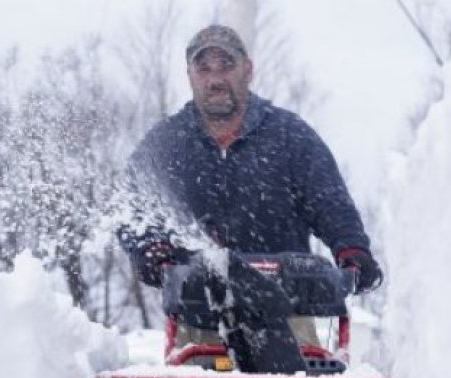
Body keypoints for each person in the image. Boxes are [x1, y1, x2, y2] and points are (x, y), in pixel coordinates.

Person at [117, 24, 382, 347]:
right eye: (204, 69)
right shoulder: (167, 144)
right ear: (189, 75)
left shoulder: (289, 137)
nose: (215, 79)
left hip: (291, 316)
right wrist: (152, 250)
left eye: (226, 66)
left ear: (248, 70)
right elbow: (132, 206)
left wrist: (352, 252)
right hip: (200, 318)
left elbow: (330, 203)